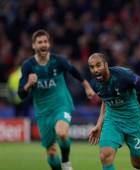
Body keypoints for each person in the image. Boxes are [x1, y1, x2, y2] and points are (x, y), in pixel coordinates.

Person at [18, 29, 95, 170]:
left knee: (62, 133)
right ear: (33, 45)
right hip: (43, 112)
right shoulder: (28, 66)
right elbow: (20, 95)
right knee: (52, 153)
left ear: (49, 44)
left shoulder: (58, 61)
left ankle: (66, 162)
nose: (43, 45)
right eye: (40, 42)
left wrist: (87, 87)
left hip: (61, 104)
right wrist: (28, 84)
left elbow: (73, 71)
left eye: (45, 41)